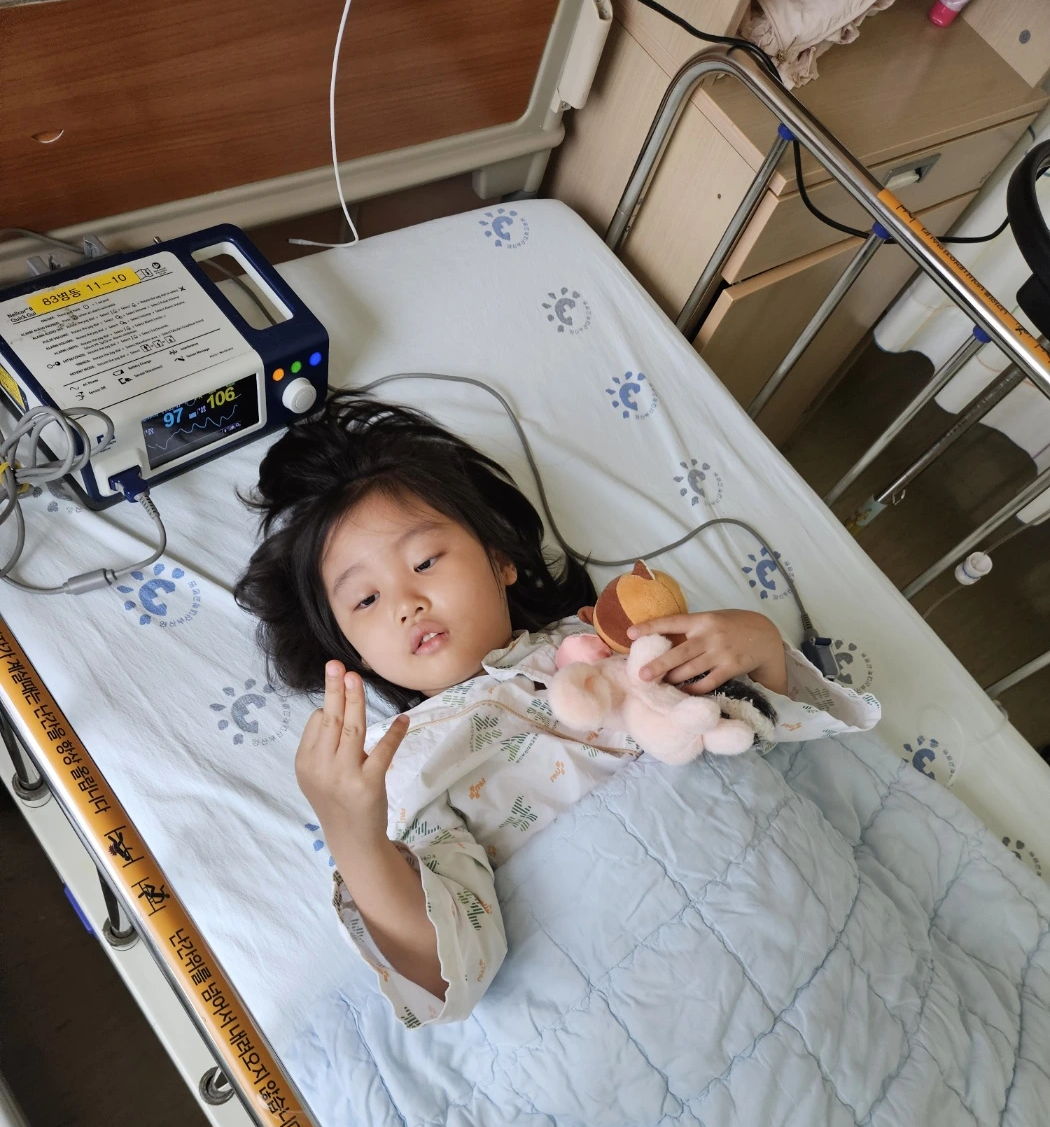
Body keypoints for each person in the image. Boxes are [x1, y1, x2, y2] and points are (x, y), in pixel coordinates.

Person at [235, 394, 880, 1028]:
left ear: (500, 561)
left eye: (425, 561)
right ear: (356, 653)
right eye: (367, 600)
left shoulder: (608, 638)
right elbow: (451, 972)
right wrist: (355, 839)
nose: (406, 602)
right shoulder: (407, 764)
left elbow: (765, 737)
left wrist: (758, 645)